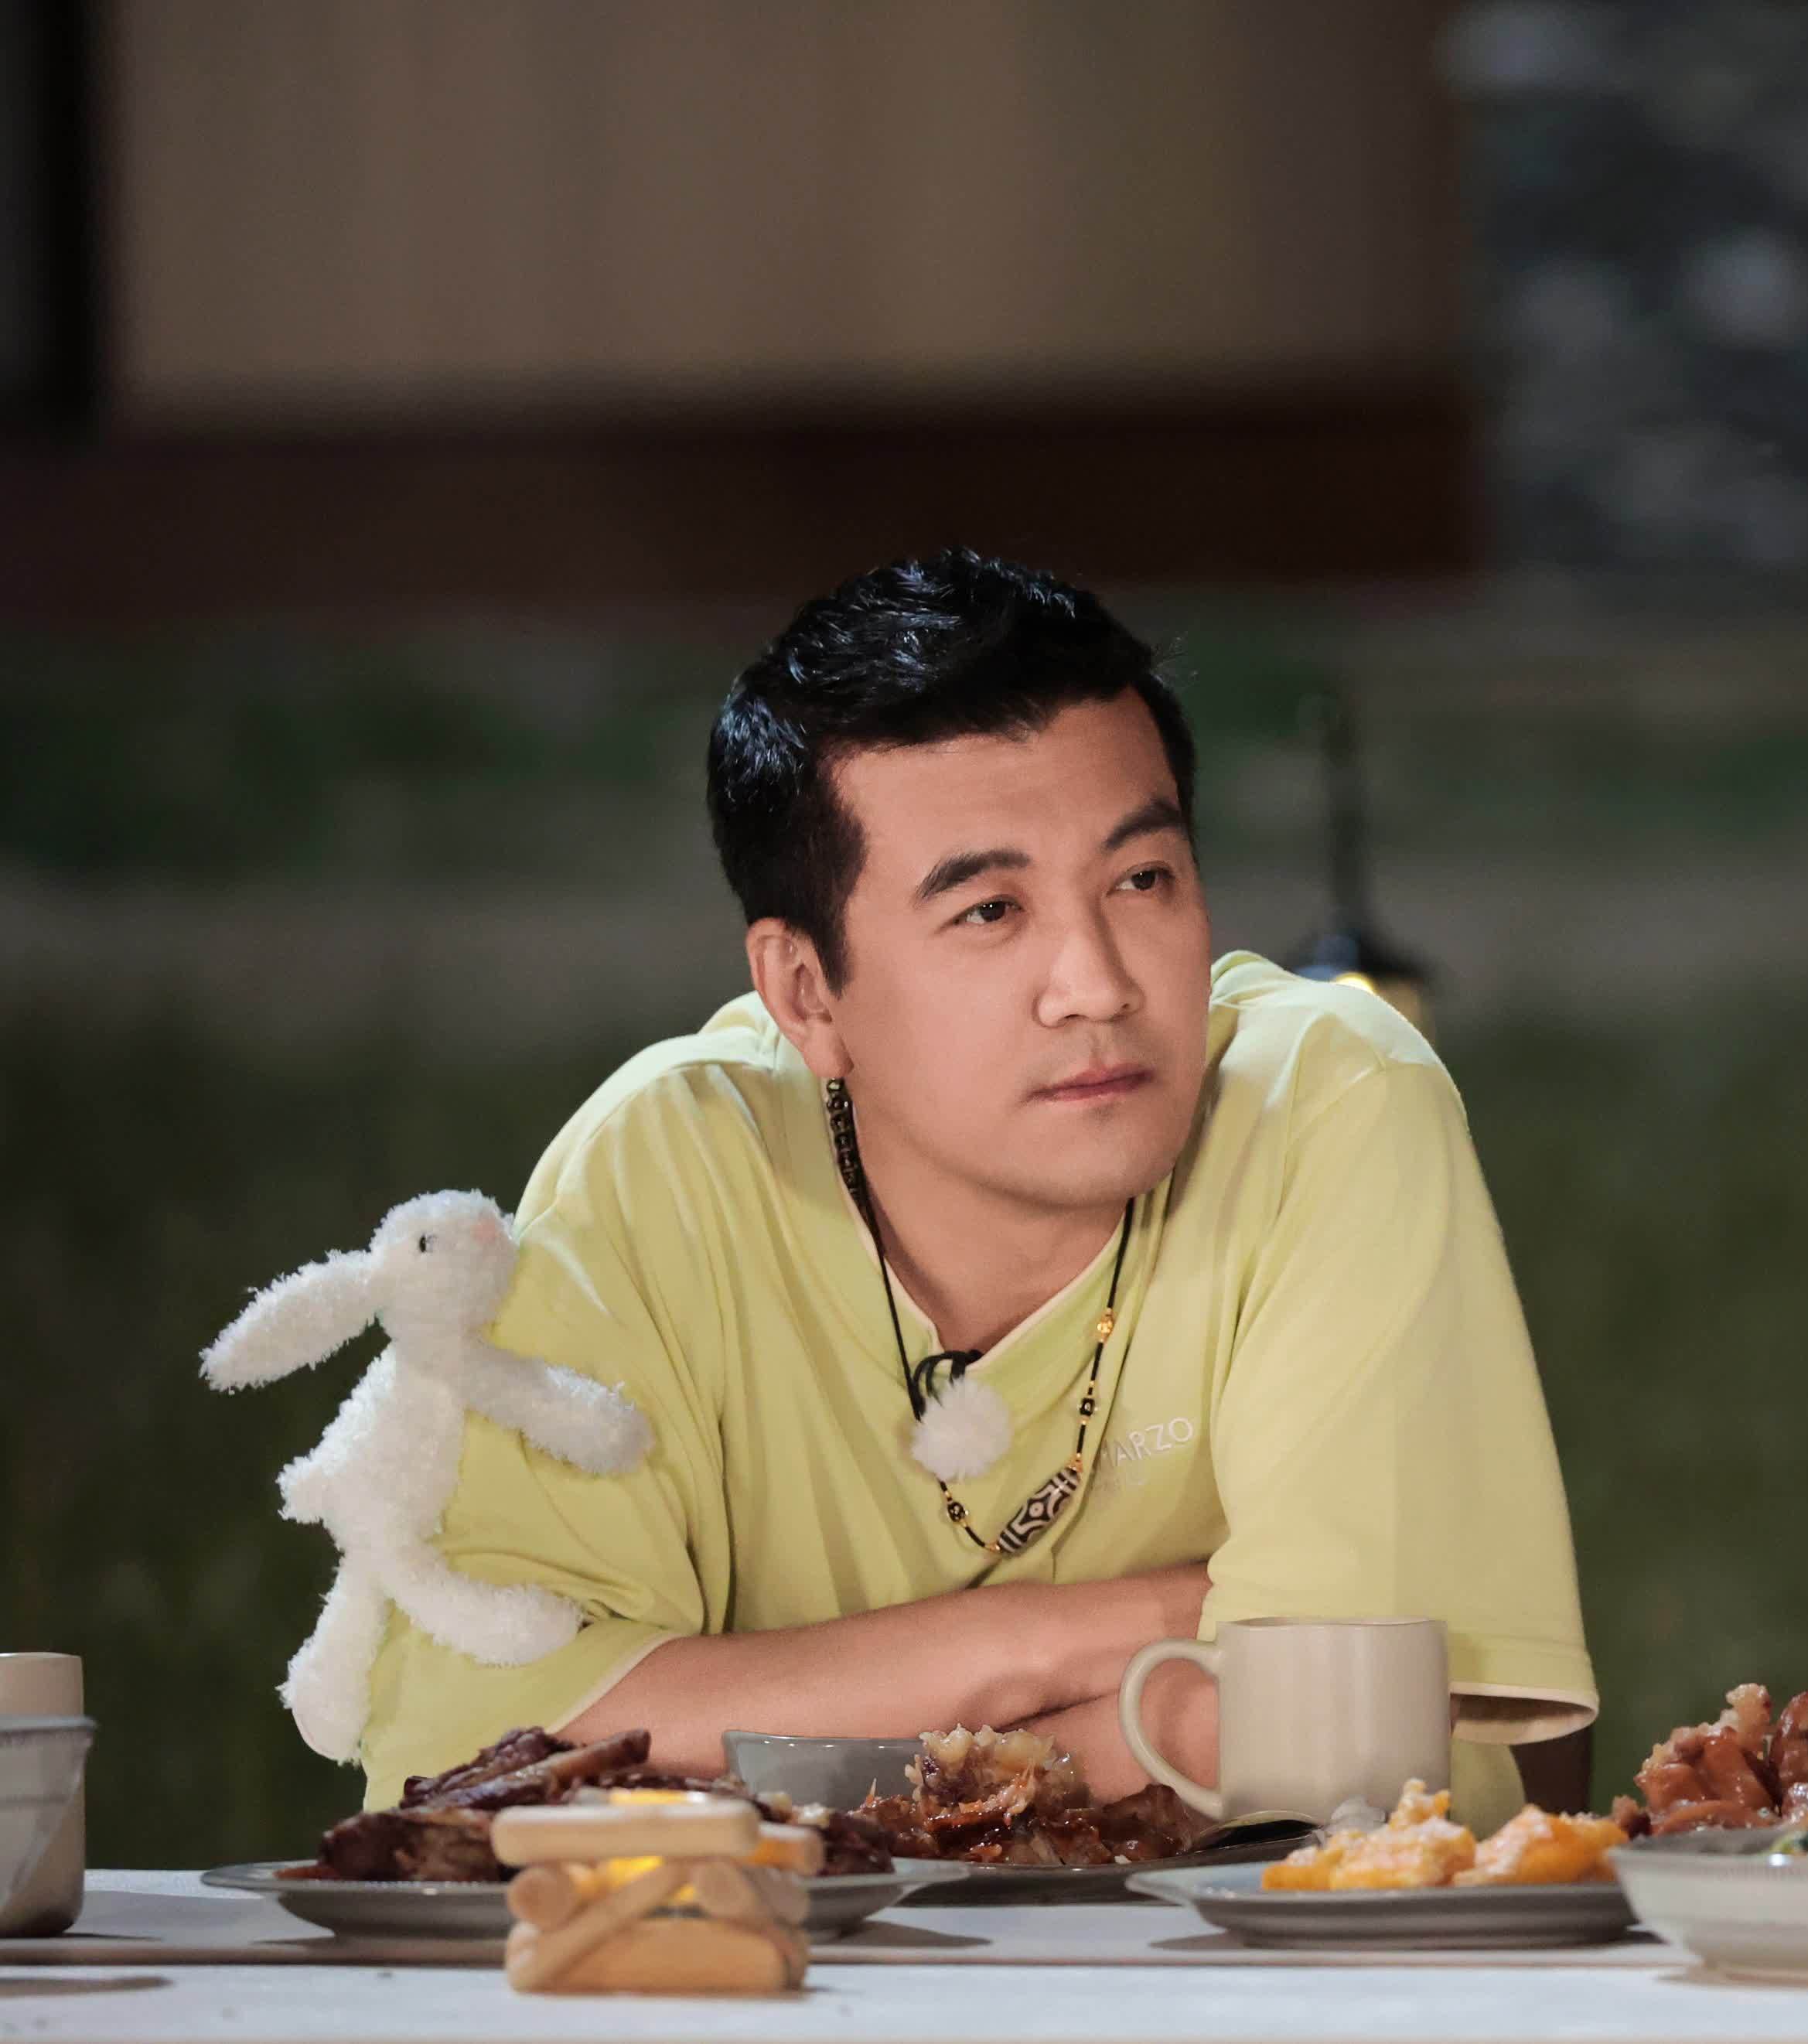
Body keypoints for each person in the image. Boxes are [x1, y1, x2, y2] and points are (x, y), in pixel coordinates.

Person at [353, 549, 1595, 1822]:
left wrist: (758, 1755)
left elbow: (1350, 1746)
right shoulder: (668, 1166)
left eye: (1142, 880)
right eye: (991, 912)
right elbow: (470, 1757)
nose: (1096, 983)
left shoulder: (1320, 1099)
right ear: (806, 994)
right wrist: (1112, 1646)